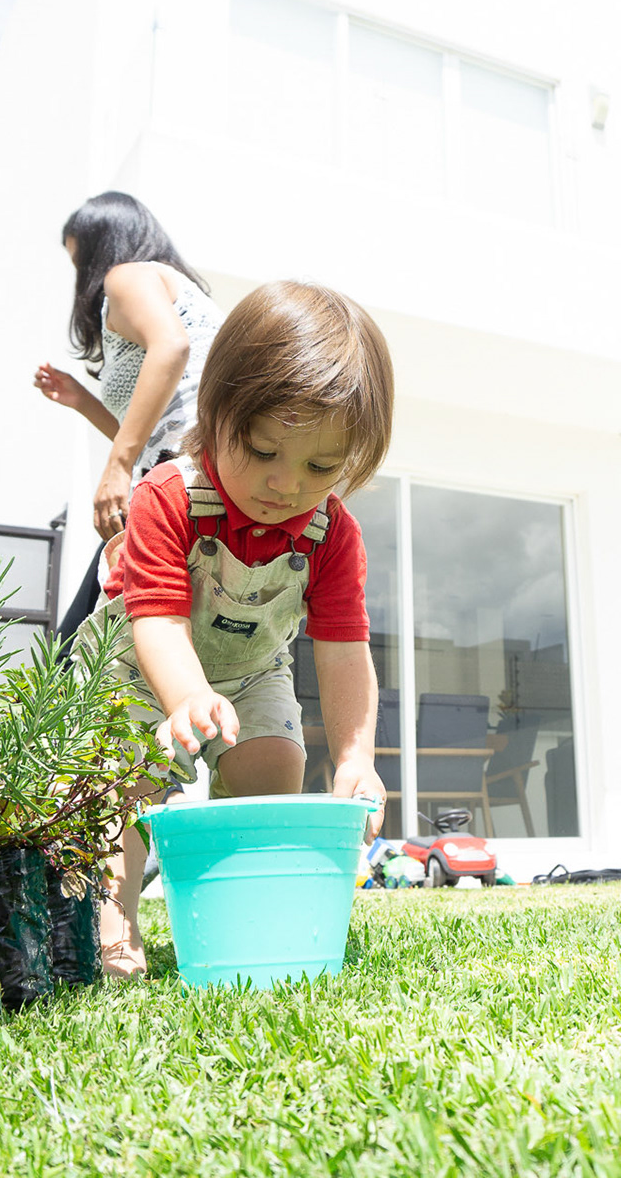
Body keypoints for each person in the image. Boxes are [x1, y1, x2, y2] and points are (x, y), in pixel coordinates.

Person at [86, 279, 394, 977]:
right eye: (261, 450)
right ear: (217, 411)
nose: (285, 483)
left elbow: (345, 650)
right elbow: (158, 620)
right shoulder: (169, 497)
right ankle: (115, 916)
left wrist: (355, 758)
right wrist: (187, 698)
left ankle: (245, 908)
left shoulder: (331, 533)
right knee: (125, 783)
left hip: (251, 670)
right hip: (139, 666)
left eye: (320, 466)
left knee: (274, 766)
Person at [33, 192, 221, 644]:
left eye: (81, 259)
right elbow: (162, 428)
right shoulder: (173, 285)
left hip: (174, 488)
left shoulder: (128, 275)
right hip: (193, 475)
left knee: (79, 651)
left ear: (102, 245)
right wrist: (83, 400)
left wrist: (117, 467)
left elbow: (171, 346)